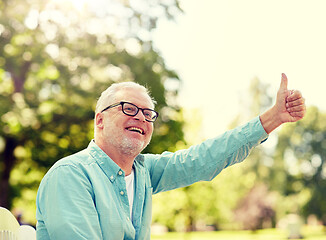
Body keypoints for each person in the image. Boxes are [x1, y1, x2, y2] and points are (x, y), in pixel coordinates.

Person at [36, 73, 305, 239]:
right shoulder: (70, 176)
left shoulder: (143, 171)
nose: (141, 117)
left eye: (148, 113)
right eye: (129, 108)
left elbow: (204, 159)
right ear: (100, 120)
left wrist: (272, 119)